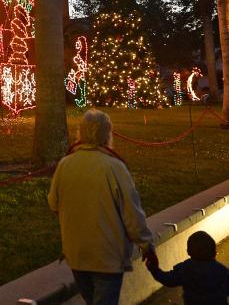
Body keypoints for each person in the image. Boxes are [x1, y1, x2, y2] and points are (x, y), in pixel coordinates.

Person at [48, 109, 155, 304]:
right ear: (108, 133)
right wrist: (146, 244)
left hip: (77, 253)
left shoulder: (65, 164)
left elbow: (53, 203)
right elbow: (132, 213)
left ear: (80, 132)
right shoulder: (114, 167)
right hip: (107, 256)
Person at [146, 230, 229, 304]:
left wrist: (154, 269)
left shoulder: (185, 269)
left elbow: (168, 280)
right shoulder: (223, 271)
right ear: (214, 252)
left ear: (188, 252)